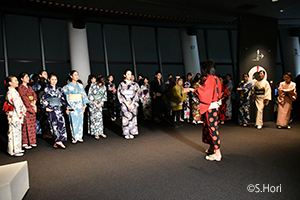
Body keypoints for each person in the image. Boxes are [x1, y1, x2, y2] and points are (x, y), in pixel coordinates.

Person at [193, 59, 222, 161]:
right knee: (208, 127)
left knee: (212, 128)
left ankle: (217, 152)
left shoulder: (209, 79)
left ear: (205, 69)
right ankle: (212, 148)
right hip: (214, 106)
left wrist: (194, 90)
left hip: (210, 107)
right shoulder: (216, 78)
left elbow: (204, 93)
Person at [41, 73, 72, 149]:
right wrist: (46, 107)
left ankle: (57, 141)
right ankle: (58, 141)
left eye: (55, 79)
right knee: (54, 125)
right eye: (52, 79)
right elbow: (44, 99)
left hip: (59, 108)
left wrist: (67, 106)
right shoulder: (47, 89)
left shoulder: (59, 89)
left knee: (61, 124)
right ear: (49, 80)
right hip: (51, 108)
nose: (54, 81)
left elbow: (63, 98)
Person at [4, 76, 27, 156]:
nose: (17, 82)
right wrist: (21, 111)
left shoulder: (13, 91)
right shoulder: (11, 92)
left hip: (15, 114)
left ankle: (17, 148)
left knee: (17, 131)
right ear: (10, 83)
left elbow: (19, 103)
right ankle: (14, 150)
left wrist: (23, 108)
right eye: (15, 80)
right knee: (14, 132)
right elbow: (17, 104)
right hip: (14, 114)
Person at [64, 70, 89, 143]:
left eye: (77, 75)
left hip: (80, 105)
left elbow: (84, 95)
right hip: (72, 105)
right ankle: (74, 137)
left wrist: (84, 106)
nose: (76, 76)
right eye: (75, 75)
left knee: (80, 121)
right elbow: (65, 97)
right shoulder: (67, 86)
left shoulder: (80, 86)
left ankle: (80, 136)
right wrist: (67, 107)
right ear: (71, 76)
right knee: (73, 122)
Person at [117, 69, 140, 139]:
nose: (129, 76)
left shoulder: (134, 84)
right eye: (128, 74)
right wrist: (126, 104)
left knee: (133, 118)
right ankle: (126, 132)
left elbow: (136, 94)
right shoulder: (121, 84)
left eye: (130, 74)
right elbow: (120, 94)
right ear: (124, 75)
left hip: (132, 103)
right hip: (125, 103)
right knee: (125, 118)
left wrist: (132, 103)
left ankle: (132, 132)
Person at [18, 72, 37, 149]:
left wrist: (34, 104)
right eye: (25, 77)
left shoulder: (30, 87)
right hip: (26, 108)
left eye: (28, 77)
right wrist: (32, 105)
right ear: (22, 79)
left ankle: (32, 141)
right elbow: (24, 98)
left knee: (32, 126)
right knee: (25, 126)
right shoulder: (20, 88)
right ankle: (25, 142)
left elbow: (34, 95)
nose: (27, 78)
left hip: (32, 106)